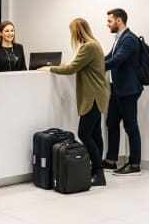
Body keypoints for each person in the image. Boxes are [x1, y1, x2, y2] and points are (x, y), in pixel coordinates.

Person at [40, 18, 110, 187]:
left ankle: (98, 173)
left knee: (84, 133)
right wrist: (64, 64)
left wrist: (50, 68)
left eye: (72, 31)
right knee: (95, 134)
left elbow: (72, 69)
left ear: (77, 31)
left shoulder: (88, 47)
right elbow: (77, 64)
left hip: (92, 97)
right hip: (98, 95)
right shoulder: (94, 44)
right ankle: (96, 170)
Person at [102, 8, 143, 175]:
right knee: (111, 123)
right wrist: (93, 62)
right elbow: (109, 57)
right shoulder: (120, 38)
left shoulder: (129, 39)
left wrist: (97, 67)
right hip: (117, 89)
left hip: (128, 90)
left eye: (110, 21)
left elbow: (117, 60)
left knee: (130, 126)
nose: (107, 24)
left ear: (119, 21)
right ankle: (111, 160)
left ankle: (134, 164)